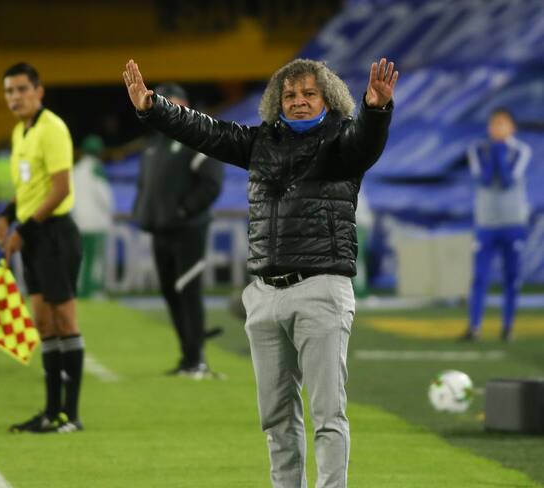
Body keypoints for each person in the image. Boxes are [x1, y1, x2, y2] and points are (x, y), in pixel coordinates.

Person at [124, 57, 398, 488]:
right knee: (276, 418)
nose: (300, 102)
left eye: (309, 94)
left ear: (327, 98)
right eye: (290, 95)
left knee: (327, 414)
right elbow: (207, 130)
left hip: (321, 288)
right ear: (277, 101)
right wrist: (154, 107)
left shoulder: (343, 142)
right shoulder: (260, 142)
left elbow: (367, 141)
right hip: (265, 294)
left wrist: (377, 109)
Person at [0, 62, 84, 434]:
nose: (15, 97)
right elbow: (30, 188)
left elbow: (60, 188)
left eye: (21, 90)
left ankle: (71, 415)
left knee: (65, 321)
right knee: (42, 322)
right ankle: (50, 411)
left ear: (38, 91)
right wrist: (6, 214)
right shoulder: (21, 132)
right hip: (34, 235)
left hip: (55, 234)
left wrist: (22, 230)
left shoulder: (53, 129)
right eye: (9, 91)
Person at [133, 83, 224, 378]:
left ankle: (197, 360)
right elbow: (146, 186)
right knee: (171, 293)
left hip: (188, 230)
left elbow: (212, 183)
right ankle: (187, 356)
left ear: (183, 104)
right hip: (161, 229)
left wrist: (184, 210)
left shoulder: (196, 137)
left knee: (189, 291)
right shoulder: (155, 143)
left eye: (167, 104)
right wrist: (144, 213)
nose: (163, 110)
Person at [461, 108, 532, 342]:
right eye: (494, 124)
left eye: (503, 124)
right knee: (480, 277)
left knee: (511, 277)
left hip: (513, 224)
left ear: (512, 128)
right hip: (486, 225)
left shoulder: (522, 151)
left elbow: (508, 181)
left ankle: (508, 327)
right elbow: (484, 179)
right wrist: (495, 151)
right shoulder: (477, 149)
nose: (498, 128)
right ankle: (474, 327)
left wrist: (500, 150)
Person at [71, 134, 114, 298]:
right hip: (96, 223)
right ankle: (94, 290)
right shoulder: (96, 168)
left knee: (82, 260)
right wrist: (110, 214)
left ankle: (81, 291)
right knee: (95, 259)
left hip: (78, 222)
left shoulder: (76, 169)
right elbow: (104, 196)